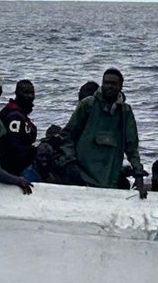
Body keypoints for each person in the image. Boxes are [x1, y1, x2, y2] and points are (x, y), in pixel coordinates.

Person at [61, 68, 147, 198]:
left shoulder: (125, 112)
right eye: (106, 83)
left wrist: (138, 175)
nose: (109, 86)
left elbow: (132, 147)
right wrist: (71, 164)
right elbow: (67, 136)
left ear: (120, 87)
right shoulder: (88, 105)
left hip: (109, 179)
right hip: (82, 176)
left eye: (113, 83)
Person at [0, 80, 38, 175]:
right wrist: (35, 152)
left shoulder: (19, 113)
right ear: (17, 93)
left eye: (32, 93)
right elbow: (14, 149)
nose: (30, 96)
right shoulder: (14, 116)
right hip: (16, 169)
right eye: (26, 93)